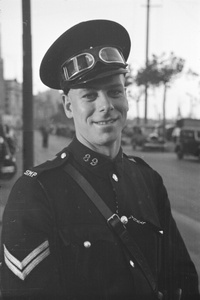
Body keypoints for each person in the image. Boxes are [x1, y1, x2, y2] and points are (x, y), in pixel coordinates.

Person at [0, 20, 199, 300]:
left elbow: (184, 280)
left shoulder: (148, 180)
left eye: (114, 91)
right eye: (90, 96)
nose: (105, 106)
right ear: (69, 106)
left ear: (126, 97)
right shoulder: (35, 192)